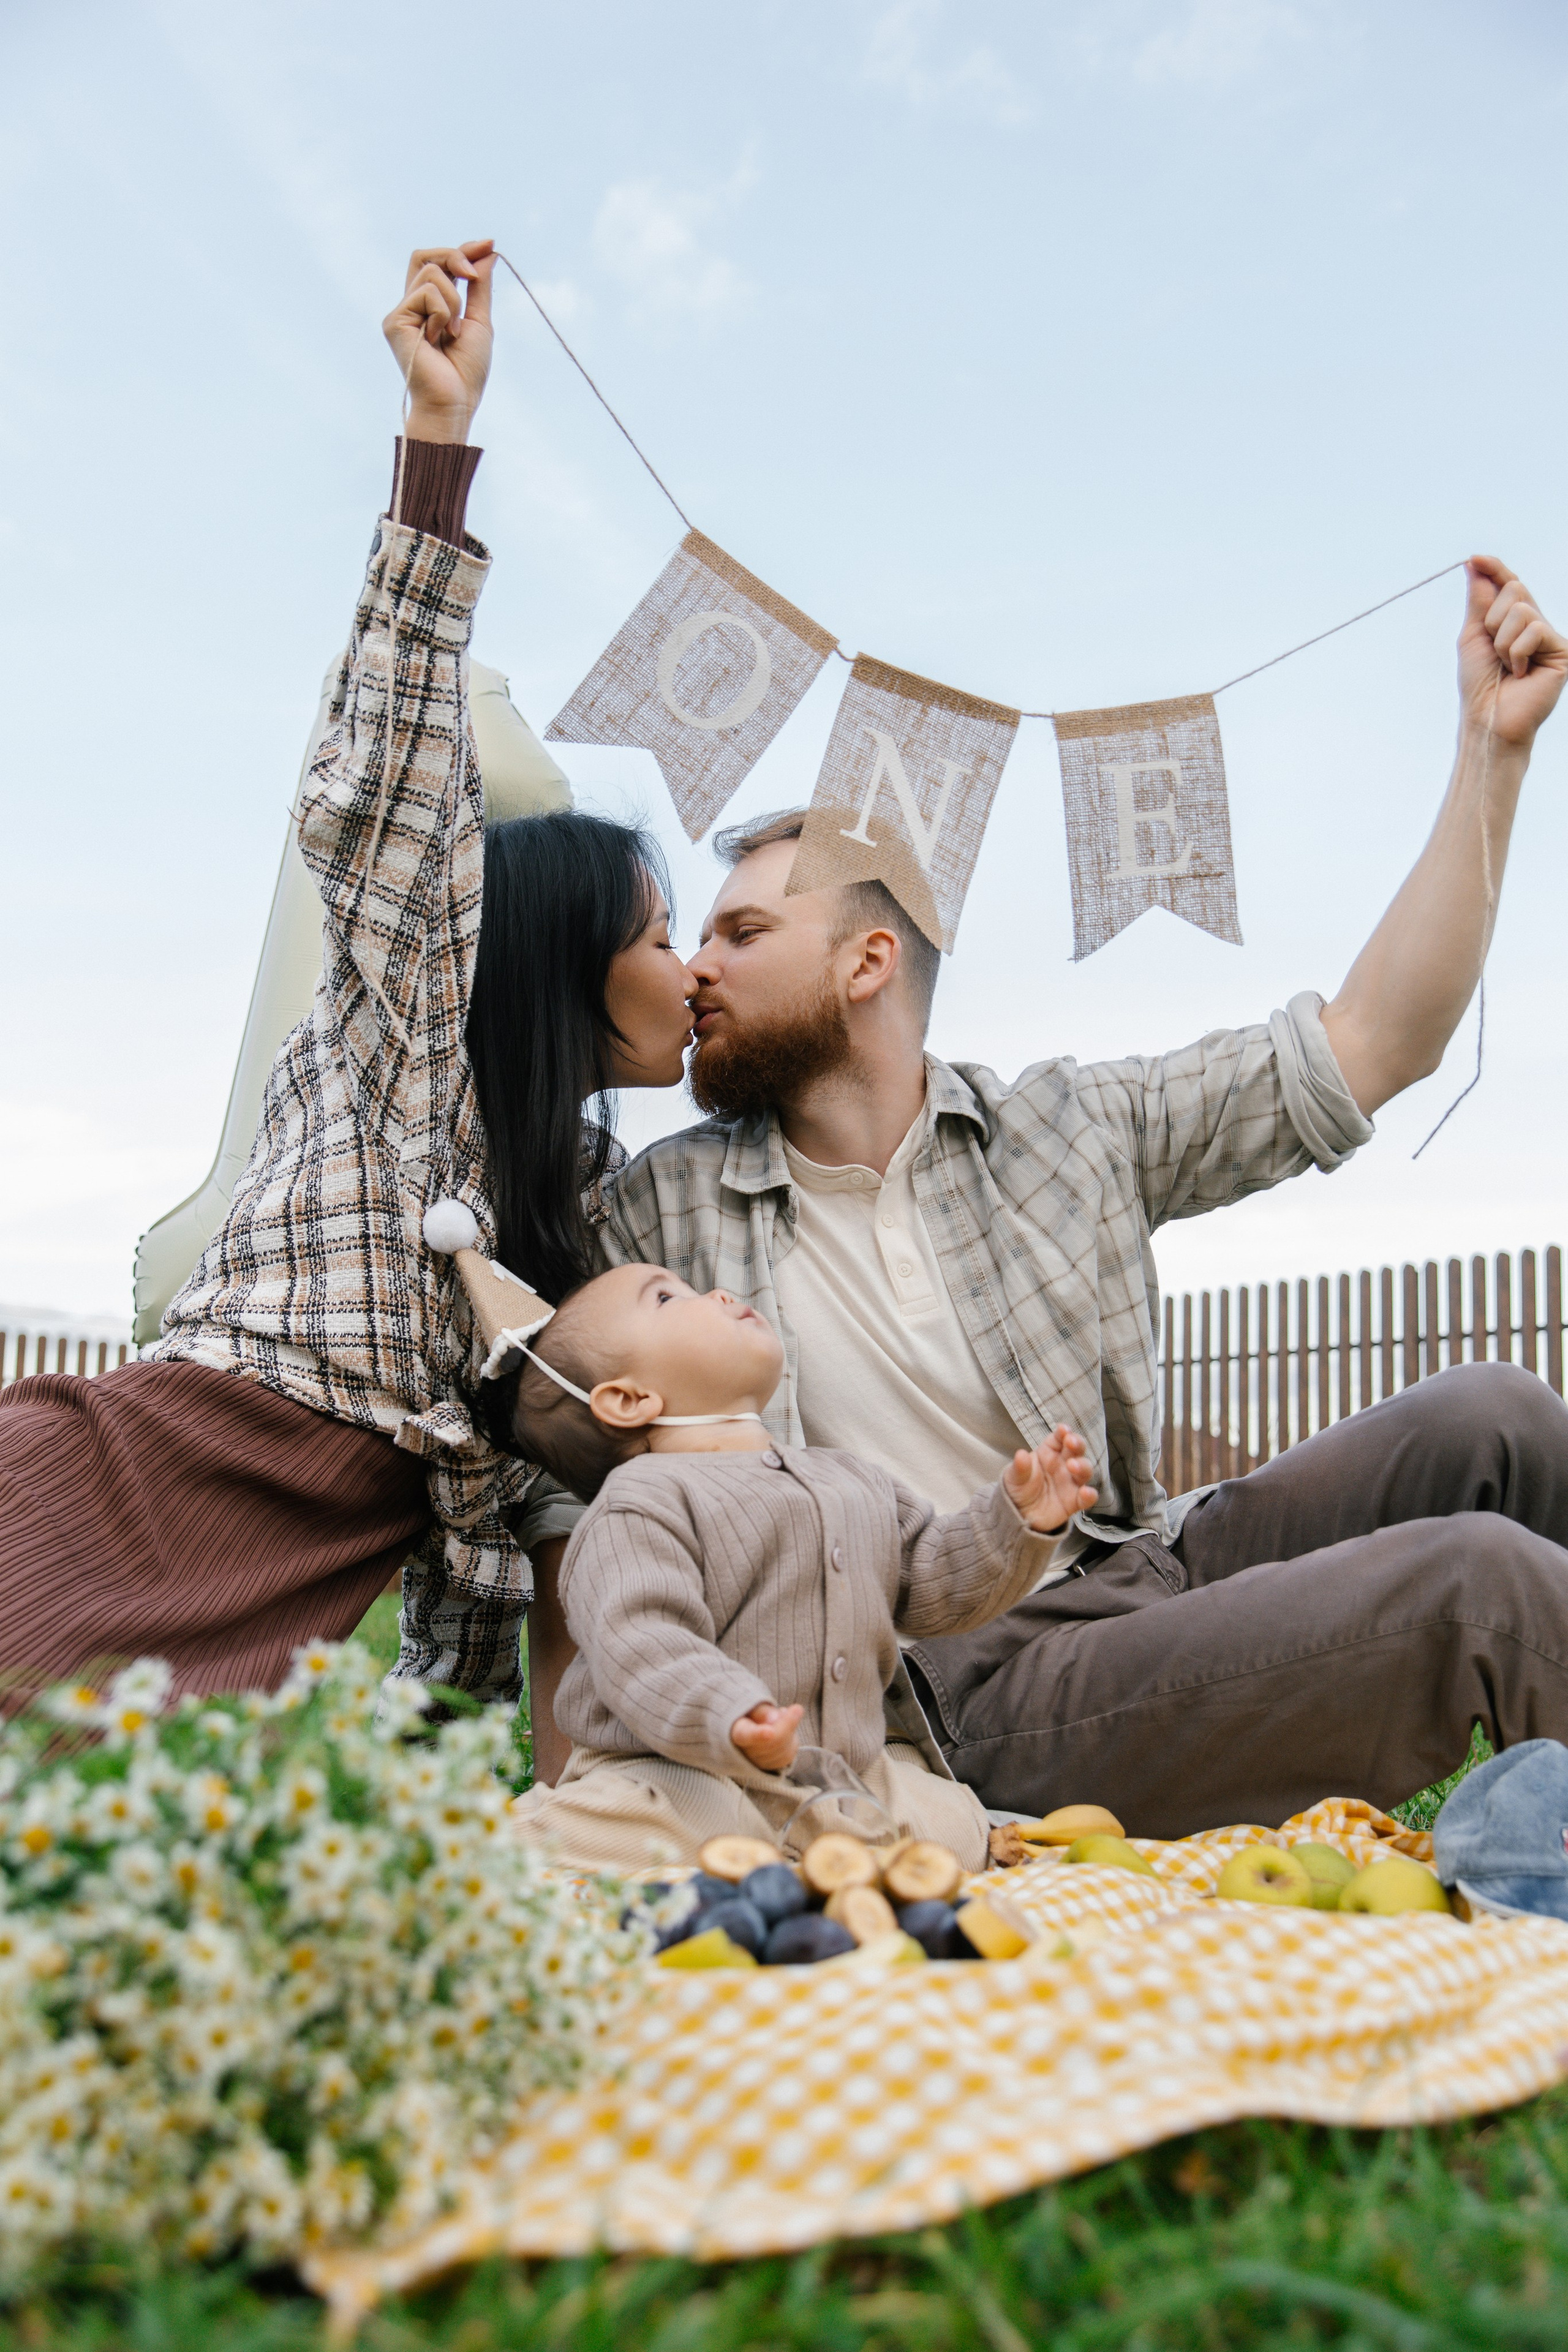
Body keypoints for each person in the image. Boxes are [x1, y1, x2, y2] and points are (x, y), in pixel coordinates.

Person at [560, 559, 1568, 1833]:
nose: (694, 970)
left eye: (740, 936)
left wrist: (1492, 751)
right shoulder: (653, 1221)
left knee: (1498, 1412)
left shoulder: (1064, 1128)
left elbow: (1374, 1039)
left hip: (1147, 1564)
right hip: (967, 1680)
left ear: (868, 960)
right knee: (1471, 1587)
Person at [0, 240, 695, 1704]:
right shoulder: (409, 1029)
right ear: (560, 967)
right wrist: (435, 445)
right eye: (656, 936)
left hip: (267, 1606)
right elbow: (384, 782)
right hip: (120, 1489)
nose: (686, 972)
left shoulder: (567, 1208)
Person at [504, 1260, 1097, 1868]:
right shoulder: (639, 1505)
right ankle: (487, 1847)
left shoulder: (850, 1479)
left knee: (947, 1819)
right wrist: (731, 1713)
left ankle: (818, 1850)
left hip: (839, 1777)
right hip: (677, 1769)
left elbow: (931, 1578)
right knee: (659, 1823)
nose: (717, 1292)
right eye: (664, 1297)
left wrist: (1015, 1524)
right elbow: (640, 1640)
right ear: (629, 1399)